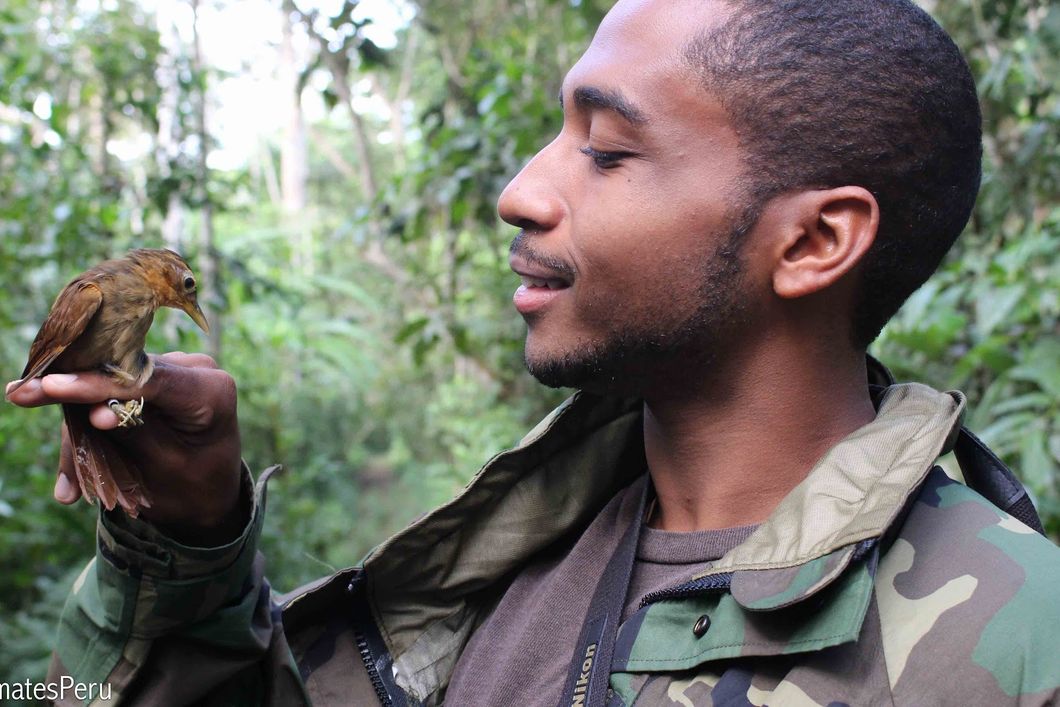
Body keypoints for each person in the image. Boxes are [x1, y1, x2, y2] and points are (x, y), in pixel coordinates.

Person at [9, 0, 1060, 704]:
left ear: (815, 241)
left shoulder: (1020, 643)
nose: (520, 188)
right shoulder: (490, 572)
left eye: (606, 150)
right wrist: (190, 540)